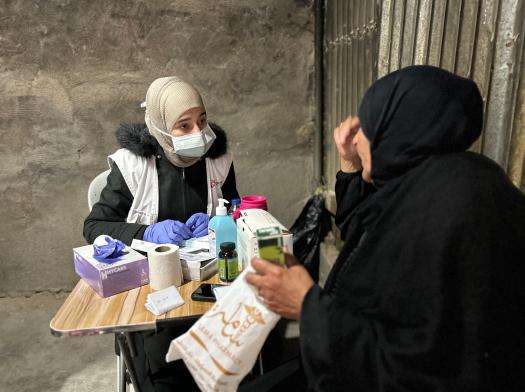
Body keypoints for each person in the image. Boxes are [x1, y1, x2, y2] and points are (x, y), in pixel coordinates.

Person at [247, 65, 525, 391]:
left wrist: (306, 306)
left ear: (397, 128)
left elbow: (410, 371)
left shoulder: (453, 213)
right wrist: (353, 166)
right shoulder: (436, 181)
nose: (358, 135)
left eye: (369, 125)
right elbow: (367, 235)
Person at [83, 76, 239, 391]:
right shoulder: (132, 166)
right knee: (166, 369)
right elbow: (95, 226)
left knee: (236, 347)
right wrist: (148, 232)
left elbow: (235, 207)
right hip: (151, 294)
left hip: (206, 287)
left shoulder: (218, 159)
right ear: (161, 128)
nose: (199, 133)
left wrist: (218, 221)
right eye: (184, 125)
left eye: (203, 120)